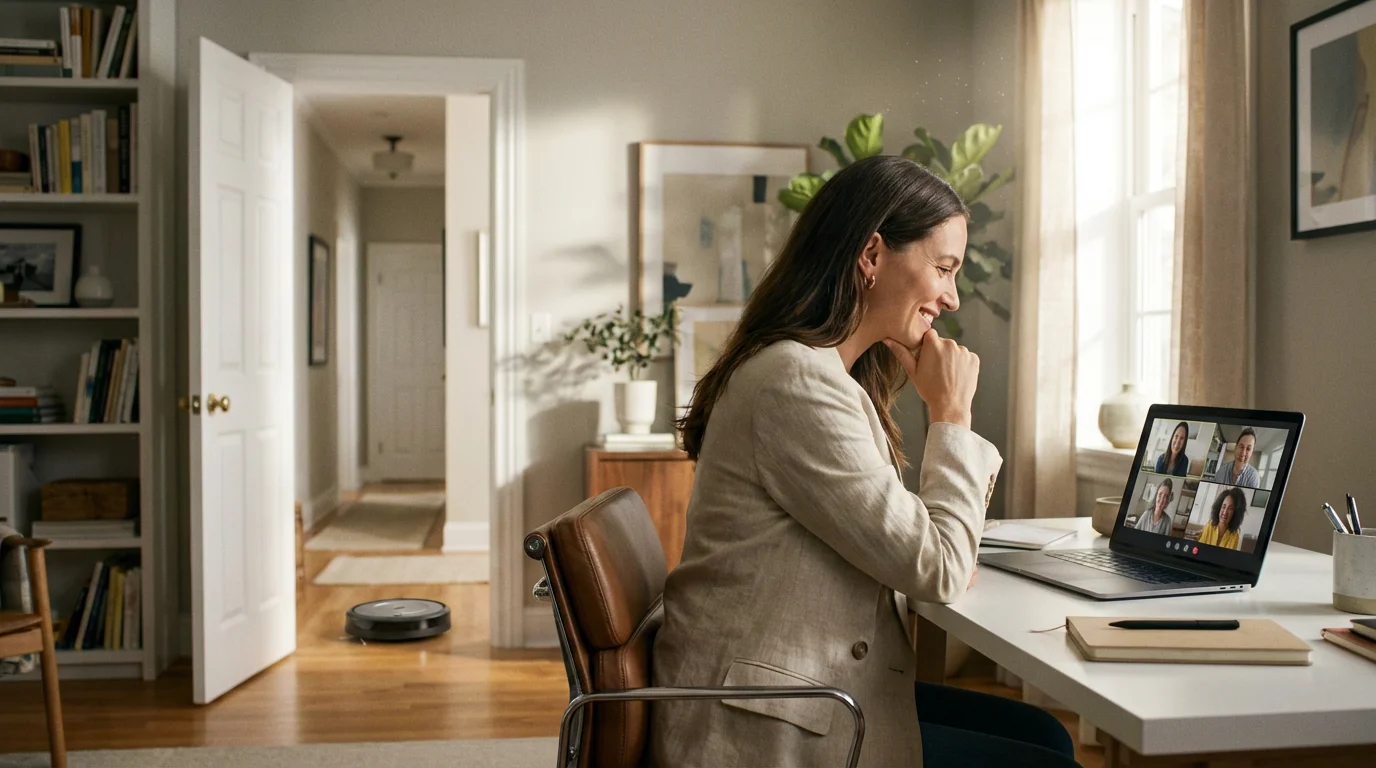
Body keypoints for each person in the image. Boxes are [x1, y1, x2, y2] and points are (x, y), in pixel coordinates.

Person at [650, 156, 1077, 768]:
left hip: (797, 689)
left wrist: (939, 552)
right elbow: (938, 569)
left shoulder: (819, 373)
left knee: (1044, 735)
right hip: (766, 719)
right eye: (943, 268)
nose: (952, 297)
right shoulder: (798, 382)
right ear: (872, 255)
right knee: (1049, 758)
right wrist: (952, 413)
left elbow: (921, 551)